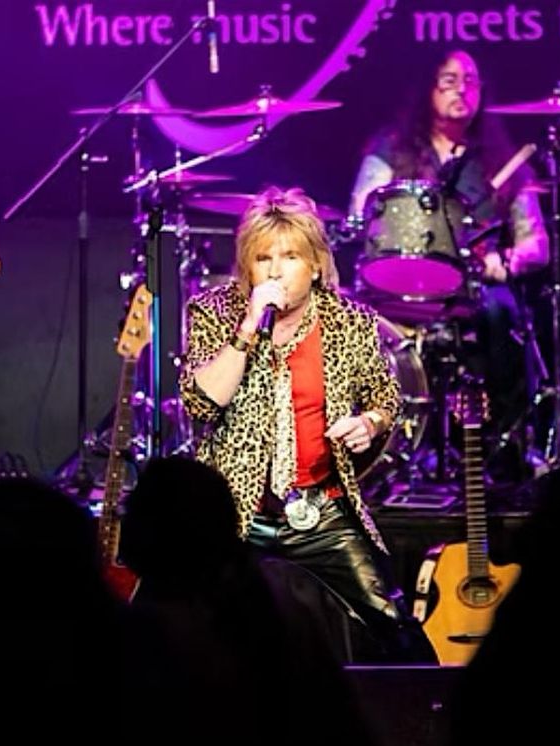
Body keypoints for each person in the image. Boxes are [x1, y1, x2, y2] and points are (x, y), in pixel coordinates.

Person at [179, 186, 434, 663]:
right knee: (194, 630)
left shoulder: (349, 322)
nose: (275, 271)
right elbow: (201, 403)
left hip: (319, 510)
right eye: (263, 259)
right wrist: (247, 329)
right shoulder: (215, 312)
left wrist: (370, 422)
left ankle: (424, 706)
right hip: (235, 512)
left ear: (315, 265)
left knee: (394, 627)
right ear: (247, 267)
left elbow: (386, 396)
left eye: (290, 256)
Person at [349, 49, 549, 441]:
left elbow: (536, 243)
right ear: (430, 88)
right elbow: (361, 213)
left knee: (501, 314)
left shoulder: (502, 159)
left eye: (471, 81)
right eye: (449, 80)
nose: (462, 90)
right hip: (399, 288)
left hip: (473, 289)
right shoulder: (391, 149)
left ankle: (497, 438)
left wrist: (503, 262)